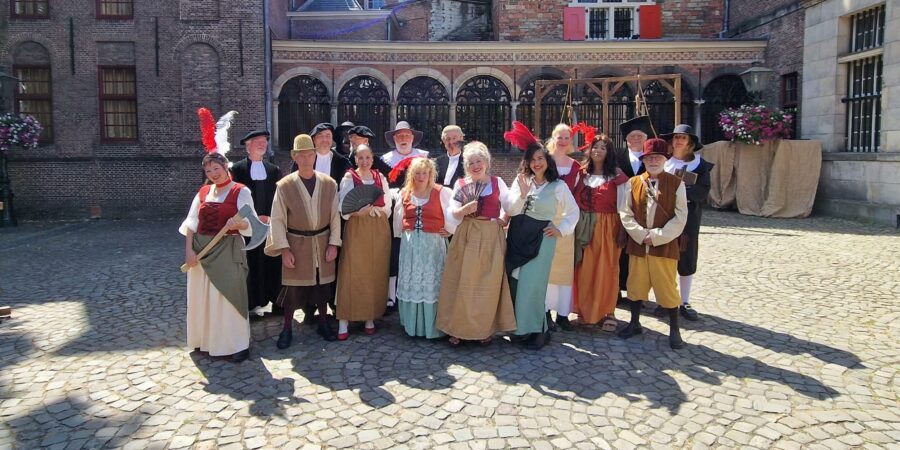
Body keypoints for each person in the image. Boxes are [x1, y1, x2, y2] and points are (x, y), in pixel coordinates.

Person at [435, 141, 517, 346]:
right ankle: (457, 328)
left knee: (487, 284)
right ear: (466, 166)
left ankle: (484, 329)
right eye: (471, 163)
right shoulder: (461, 184)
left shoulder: (497, 182)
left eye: (479, 161)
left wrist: (504, 218)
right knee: (463, 282)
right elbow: (451, 212)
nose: (475, 166)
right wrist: (463, 210)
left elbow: (511, 206)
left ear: (486, 162)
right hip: (466, 235)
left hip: (491, 236)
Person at [265, 134, 342, 348]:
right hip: (296, 244)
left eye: (310, 155)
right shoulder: (284, 186)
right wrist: (284, 249)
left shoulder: (329, 183)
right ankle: (287, 328)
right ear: (295, 157)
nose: (306, 159)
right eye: (302, 155)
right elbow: (277, 219)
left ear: (315, 156)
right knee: (293, 289)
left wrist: (334, 243)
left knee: (322, 286)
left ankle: (323, 323)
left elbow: (335, 216)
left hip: (322, 242)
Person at [506, 129, 579, 350]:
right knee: (516, 282)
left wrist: (560, 229)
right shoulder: (521, 180)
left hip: (542, 239)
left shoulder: (558, 186)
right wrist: (522, 193)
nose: (537, 163)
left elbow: (573, 212)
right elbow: (510, 209)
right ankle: (520, 329)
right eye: (532, 160)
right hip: (518, 235)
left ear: (547, 160)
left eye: (540, 158)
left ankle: (539, 330)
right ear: (527, 163)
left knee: (533, 286)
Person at [180, 151, 257, 363]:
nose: (213, 173)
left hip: (228, 250)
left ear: (225, 167)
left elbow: (251, 224)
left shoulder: (240, 191)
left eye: (216, 168)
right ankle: (205, 341)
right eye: (208, 171)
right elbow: (191, 223)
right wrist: (189, 252)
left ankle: (237, 345)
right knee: (203, 297)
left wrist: (239, 223)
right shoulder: (204, 192)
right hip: (202, 251)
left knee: (229, 297)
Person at [618, 138, 688, 349]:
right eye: (649, 158)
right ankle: (634, 323)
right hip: (639, 245)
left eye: (657, 157)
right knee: (635, 285)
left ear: (665, 159)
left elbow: (681, 216)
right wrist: (640, 235)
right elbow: (625, 212)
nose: (653, 161)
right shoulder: (634, 182)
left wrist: (658, 236)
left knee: (667, 287)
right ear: (644, 160)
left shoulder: (676, 183)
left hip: (664, 245)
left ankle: (674, 329)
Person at [335, 144, 393, 340]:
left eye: (368, 157)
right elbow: (343, 206)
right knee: (351, 271)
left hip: (378, 227)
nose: (365, 161)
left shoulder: (380, 177)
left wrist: (377, 211)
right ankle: (344, 319)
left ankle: (369, 317)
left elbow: (388, 204)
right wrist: (357, 212)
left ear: (372, 159)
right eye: (360, 158)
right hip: (357, 226)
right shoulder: (349, 178)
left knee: (374, 272)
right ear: (355, 159)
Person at [393, 157, 454, 338]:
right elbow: (398, 221)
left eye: (424, 173)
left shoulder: (441, 192)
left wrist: (450, 230)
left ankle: (433, 326)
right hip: (411, 245)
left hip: (433, 245)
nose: (421, 177)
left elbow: (452, 215)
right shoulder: (405, 193)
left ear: (431, 174)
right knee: (413, 281)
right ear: (412, 174)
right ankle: (412, 325)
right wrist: (401, 234)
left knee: (431, 282)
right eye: (417, 173)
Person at [572, 134, 628, 330]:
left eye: (603, 147)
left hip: (607, 227)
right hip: (583, 227)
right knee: (584, 270)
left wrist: (623, 231)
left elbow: (625, 205)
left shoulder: (617, 177)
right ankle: (584, 312)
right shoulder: (580, 174)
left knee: (607, 269)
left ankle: (608, 312)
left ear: (609, 152)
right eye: (595, 146)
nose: (598, 150)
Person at [662, 124, 714, 322]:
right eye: (676, 137)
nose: (678, 141)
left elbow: (702, 192)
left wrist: (680, 191)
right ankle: (665, 299)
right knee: (664, 256)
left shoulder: (700, 165)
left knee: (686, 255)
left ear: (690, 143)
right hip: (664, 216)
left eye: (683, 138)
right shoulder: (663, 161)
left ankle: (684, 301)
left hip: (689, 217)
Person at [230, 129, 282, 315]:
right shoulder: (237, 170)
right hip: (247, 228)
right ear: (248, 146)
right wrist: (252, 218)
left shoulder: (274, 170)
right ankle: (251, 303)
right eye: (257, 141)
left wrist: (269, 216)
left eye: (264, 141)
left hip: (269, 226)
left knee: (273, 263)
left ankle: (277, 302)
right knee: (251, 265)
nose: (262, 144)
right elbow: (234, 198)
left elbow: (279, 197)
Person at [382, 121, 430, 314]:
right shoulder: (385, 160)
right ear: (394, 139)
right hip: (394, 210)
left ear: (412, 138)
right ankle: (391, 296)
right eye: (400, 136)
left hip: (419, 209)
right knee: (394, 252)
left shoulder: (423, 156)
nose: (403, 139)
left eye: (407, 135)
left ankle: (417, 292)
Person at [542, 123, 581, 332]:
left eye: (567, 137)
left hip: (566, 220)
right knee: (547, 269)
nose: (563, 141)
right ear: (553, 138)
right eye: (560, 137)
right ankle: (546, 311)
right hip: (546, 217)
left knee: (564, 270)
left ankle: (563, 314)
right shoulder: (544, 161)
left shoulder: (575, 166)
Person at [615, 115, 653, 305]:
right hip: (618, 212)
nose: (636, 139)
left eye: (640, 136)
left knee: (639, 254)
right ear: (626, 139)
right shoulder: (615, 158)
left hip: (645, 214)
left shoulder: (652, 159)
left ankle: (637, 293)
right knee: (618, 252)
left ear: (646, 138)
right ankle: (616, 290)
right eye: (632, 136)